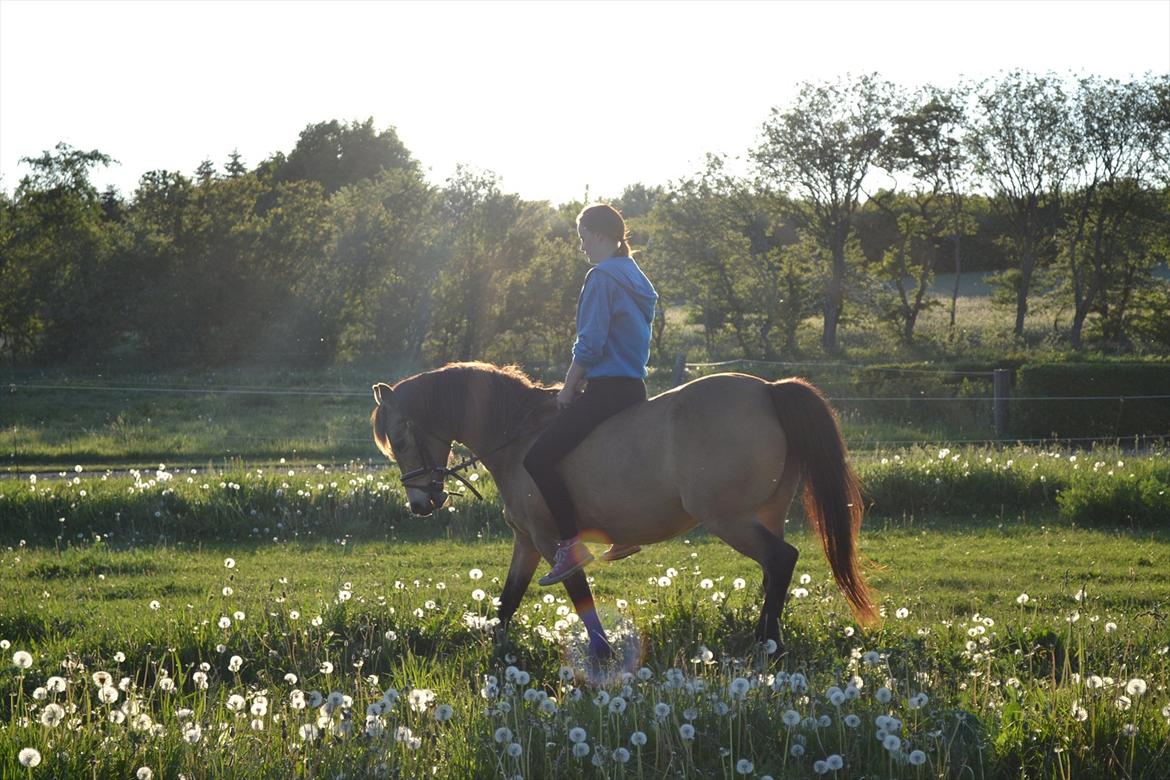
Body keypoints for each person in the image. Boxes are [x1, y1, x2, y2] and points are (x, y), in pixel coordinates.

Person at [524, 203, 659, 586]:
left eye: (583, 237)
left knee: (538, 458)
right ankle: (623, 535)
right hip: (634, 388)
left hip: (606, 390)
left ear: (599, 235)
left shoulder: (601, 277)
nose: (582, 245)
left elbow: (591, 343)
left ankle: (571, 544)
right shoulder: (636, 277)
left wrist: (569, 386)